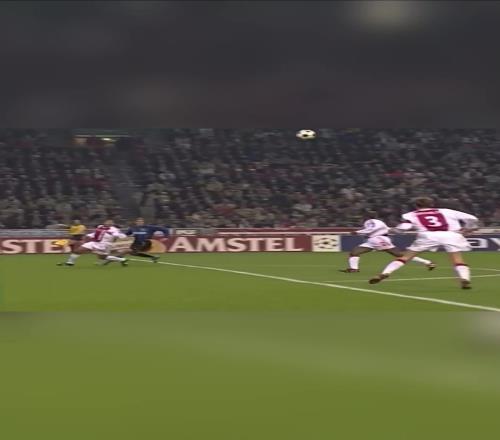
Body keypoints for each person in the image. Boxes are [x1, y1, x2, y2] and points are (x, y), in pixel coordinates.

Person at [369, 197, 479, 289]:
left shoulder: (410, 214)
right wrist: (468, 228)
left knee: (405, 258)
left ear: (416, 206)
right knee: (457, 259)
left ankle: (385, 273)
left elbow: (405, 227)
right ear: (432, 204)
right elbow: (473, 218)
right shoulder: (446, 211)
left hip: (427, 236)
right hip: (451, 235)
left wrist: (396, 230)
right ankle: (464, 279)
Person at [340, 212, 436, 273]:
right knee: (354, 252)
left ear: (367, 217)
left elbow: (372, 228)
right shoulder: (379, 222)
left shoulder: (371, 221)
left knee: (400, 255)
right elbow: (386, 229)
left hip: (378, 239)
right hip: (373, 240)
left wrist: (357, 232)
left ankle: (427, 262)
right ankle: (354, 269)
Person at [57, 219, 129, 267]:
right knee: (78, 250)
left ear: (112, 224)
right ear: (104, 222)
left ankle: (122, 260)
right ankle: (70, 262)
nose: (108, 223)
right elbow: (96, 233)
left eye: (110, 222)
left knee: (103, 257)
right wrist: (89, 235)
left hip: (104, 245)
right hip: (94, 242)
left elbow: (119, 235)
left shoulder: (114, 229)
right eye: (107, 222)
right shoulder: (100, 226)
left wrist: (116, 235)